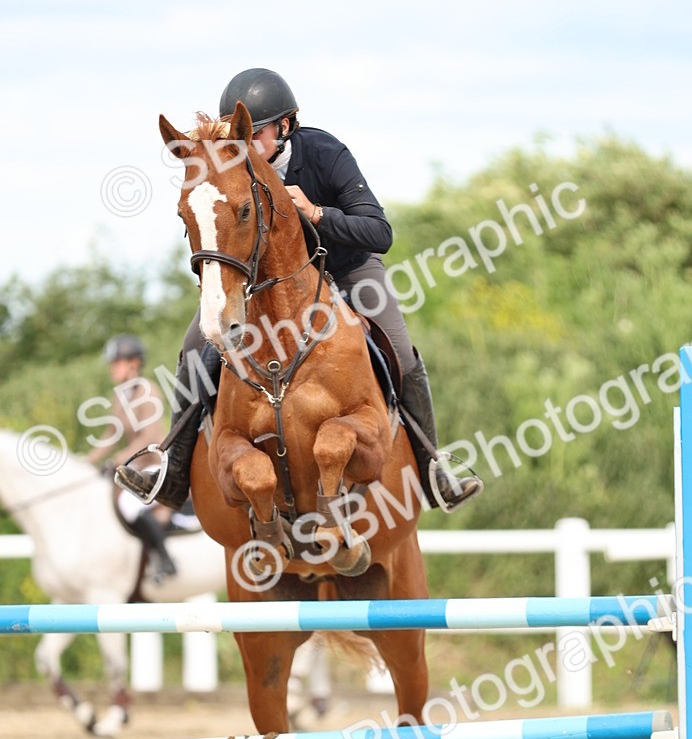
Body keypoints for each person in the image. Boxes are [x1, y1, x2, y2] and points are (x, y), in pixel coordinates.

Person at [117, 67, 483, 513]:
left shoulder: (325, 153)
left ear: (285, 126)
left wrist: (316, 213)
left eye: (254, 134)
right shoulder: (232, 170)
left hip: (348, 268)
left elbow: (379, 232)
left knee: (401, 354)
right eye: (237, 137)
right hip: (267, 283)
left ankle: (433, 470)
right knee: (195, 346)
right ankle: (172, 471)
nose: (243, 146)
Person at [89, 333, 177, 581]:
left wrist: (118, 459)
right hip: (135, 466)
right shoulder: (120, 396)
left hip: (156, 463)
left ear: (134, 363)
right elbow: (111, 434)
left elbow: (149, 436)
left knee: (129, 506)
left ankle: (165, 560)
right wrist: (86, 462)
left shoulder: (149, 390)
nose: (112, 368)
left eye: (117, 363)